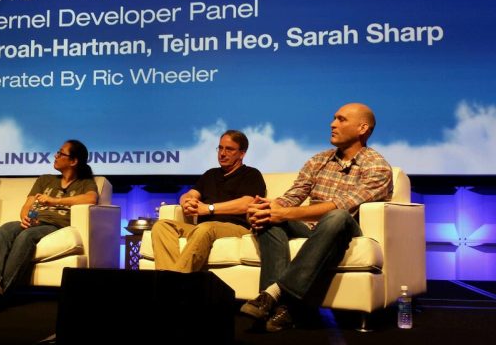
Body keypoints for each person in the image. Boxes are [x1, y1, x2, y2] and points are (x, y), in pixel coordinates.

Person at [240, 103, 393, 332]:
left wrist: (285, 213)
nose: (332, 124)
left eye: (341, 120)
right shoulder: (318, 160)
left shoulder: (377, 166)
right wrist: (270, 208)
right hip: (309, 228)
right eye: (333, 119)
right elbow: (294, 195)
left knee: (336, 216)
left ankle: (274, 293)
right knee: (269, 219)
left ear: (362, 128)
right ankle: (283, 310)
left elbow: (342, 206)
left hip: (344, 232)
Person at [0, 139, 98, 310]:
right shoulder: (45, 180)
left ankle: (0, 294)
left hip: (55, 226)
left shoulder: (85, 183)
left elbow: (91, 198)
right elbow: (27, 205)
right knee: (5, 229)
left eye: (61, 153)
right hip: (35, 221)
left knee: (26, 236)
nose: (56, 155)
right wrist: (25, 218)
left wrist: (55, 201)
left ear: (73, 161)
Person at [151, 130, 266, 273]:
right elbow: (189, 194)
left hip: (235, 228)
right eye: (220, 148)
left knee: (206, 228)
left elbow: (247, 203)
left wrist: (209, 208)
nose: (222, 153)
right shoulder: (210, 174)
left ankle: (174, 285)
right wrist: (187, 202)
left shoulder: (251, 174)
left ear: (242, 153)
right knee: (161, 226)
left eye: (229, 149)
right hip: (201, 229)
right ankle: (169, 280)